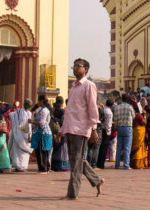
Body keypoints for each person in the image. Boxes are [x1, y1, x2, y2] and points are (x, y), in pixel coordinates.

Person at [60, 58, 104, 199]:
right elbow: (70, 110)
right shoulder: (73, 87)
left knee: (76, 161)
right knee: (75, 160)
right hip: (70, 127)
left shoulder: (89, 85)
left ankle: (72, 193)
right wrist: (62, 129)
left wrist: (94, 129)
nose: (74, 68)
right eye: (74, 66)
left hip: (81, 128)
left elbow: (92, 107)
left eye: (78, 66)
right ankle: (96, 180)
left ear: (85, 69)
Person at [8, 99, 33, 172]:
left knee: (21, 152)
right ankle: (18, 166)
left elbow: (10, 115)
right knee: (18, 152)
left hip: (22, 134)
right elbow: (11, 115)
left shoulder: (28, 113)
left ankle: (21, 166)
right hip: (19, 134)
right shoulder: (18, 111)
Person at [31, 95, 53, 173]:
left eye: (39, 100)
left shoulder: (44, 110)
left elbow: (42, 123)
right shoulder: (40, 109)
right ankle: (44, 167)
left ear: (42, 101)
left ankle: (43, 168)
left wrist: (32, 122)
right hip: (39, 132)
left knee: (42, 151)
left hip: (43, 133)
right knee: (41, 150)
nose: (38, 102)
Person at [113, 94, 135, 169]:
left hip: (119, 127)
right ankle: (126, 165)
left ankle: (117, 165)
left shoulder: (117, 107)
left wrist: (116, 127)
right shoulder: (130, 107)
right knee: (127, 147)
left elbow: (115, 119)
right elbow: (133, 116)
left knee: (119, 147)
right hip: (128, 127)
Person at [96, 97, 113, 168]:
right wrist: (109, 133)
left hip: (100, 129)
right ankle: (101, 164)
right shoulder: (109, 112)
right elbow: (108, 124)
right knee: (104, 148)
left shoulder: (103, 109)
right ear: (111, 105)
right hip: (106, 131)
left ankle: (98, 163)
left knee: (100, 147)